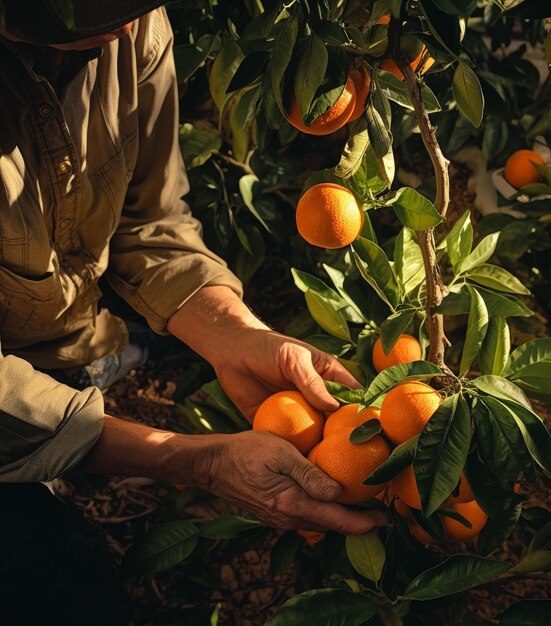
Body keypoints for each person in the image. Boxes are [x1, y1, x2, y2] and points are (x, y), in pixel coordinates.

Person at [0, 2, 385, 624]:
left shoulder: (133, 25)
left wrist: (234, 333)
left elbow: (148, 218)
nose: (128, 26)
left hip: (66, 334)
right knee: (61, 586)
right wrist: (195, 460)